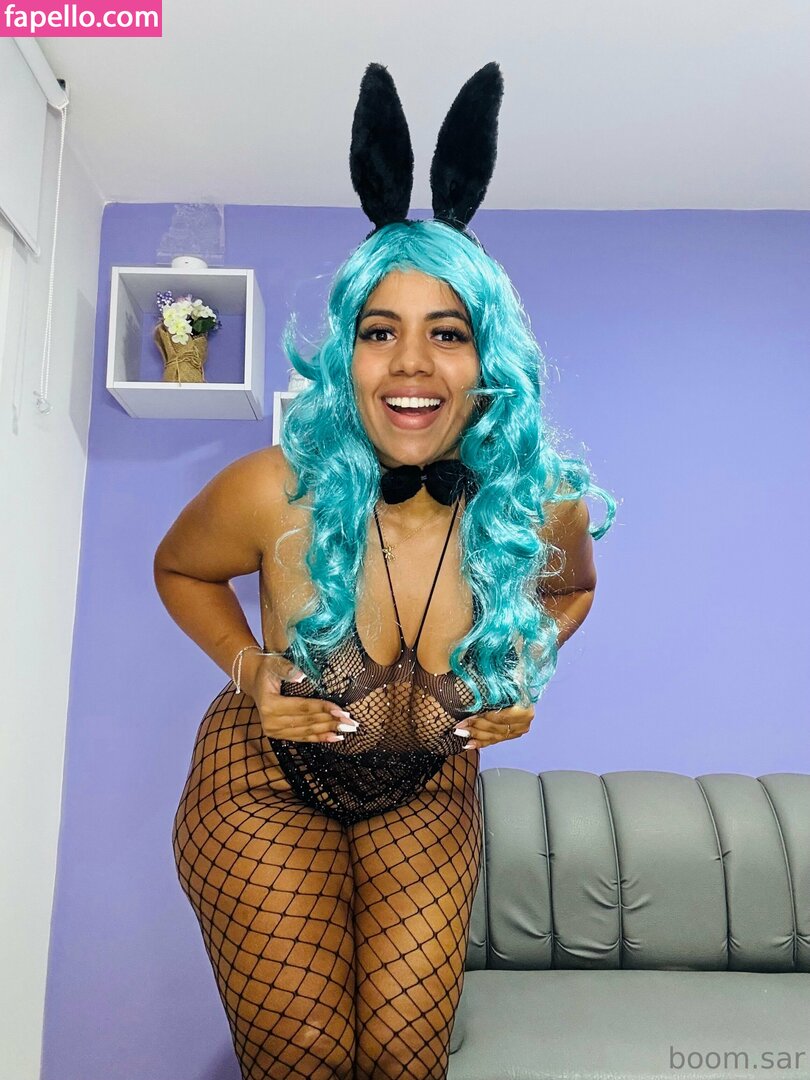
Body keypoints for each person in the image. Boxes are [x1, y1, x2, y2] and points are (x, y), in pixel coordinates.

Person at [155, 62, 616, 1080]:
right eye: (380, 332)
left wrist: (525, 664)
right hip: (262, 783)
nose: (411, 363)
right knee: (307, 1058)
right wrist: (249, 669)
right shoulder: (272, 490)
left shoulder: (541, 503)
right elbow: (181, 571)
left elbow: (573, 589)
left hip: (425, 790)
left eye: (447, 333)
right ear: (348, 357)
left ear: (488, 361)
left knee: (408, 1060)